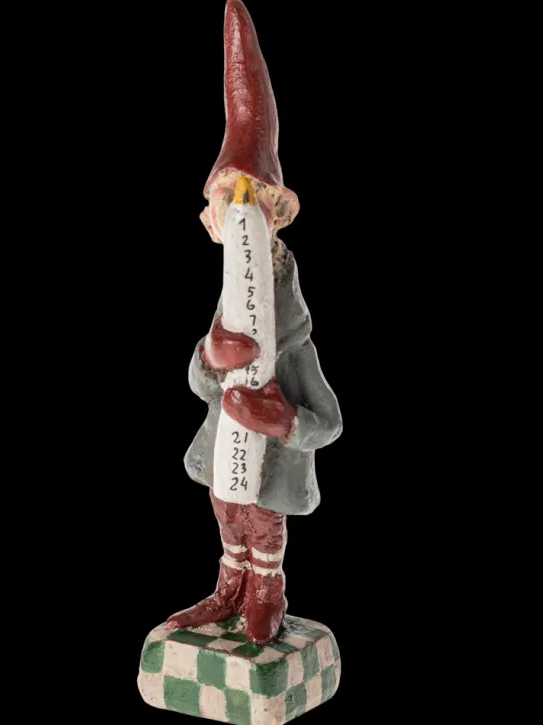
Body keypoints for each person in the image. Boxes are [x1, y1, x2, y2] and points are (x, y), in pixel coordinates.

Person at [165, 0, 342, 645]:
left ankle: (266, 589)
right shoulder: (226, 311)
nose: (241, 211)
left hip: (269, 466)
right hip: (225, 458)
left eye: (252, 199)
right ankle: (229, 585)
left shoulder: (292, 342)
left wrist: (283, 419)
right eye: (230, 200)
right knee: (225, 507)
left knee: (263, 516)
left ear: (275, 217)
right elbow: (199, 383)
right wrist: (210, 358)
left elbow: (329, 421)